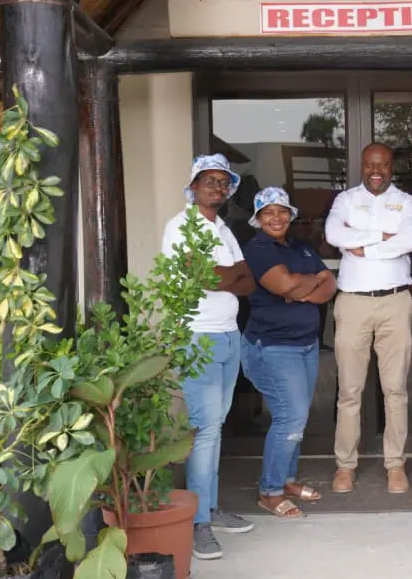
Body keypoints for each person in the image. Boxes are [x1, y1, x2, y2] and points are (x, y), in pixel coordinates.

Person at [161, 153, 256, 560]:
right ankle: (198, 523)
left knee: (215, 426)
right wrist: (224, 275)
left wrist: (223, 276)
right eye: (209, 180)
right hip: (197, 337)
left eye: (223, 182)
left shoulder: (224, 229)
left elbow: (247, 282)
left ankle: (210, 508)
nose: (217, 187)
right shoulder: (180, 226)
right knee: (204, 428)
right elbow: (203, 276)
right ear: (194, 185)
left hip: (229, 335)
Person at [325, 143, 412, 494]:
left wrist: (362, 246)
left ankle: (395, 464)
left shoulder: (406, 202)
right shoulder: (345, 200)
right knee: (349, 390)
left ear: (391, 167)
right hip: (352, 303)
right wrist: (384, 238)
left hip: (395, 302)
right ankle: (345, 465)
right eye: (370, 164)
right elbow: (334, 235)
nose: (376, 170)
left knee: (395, 389)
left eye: (382, 164)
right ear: (362, 166)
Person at [239, 187, 337, 518]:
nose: (276, 218)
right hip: (273, 346)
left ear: (291, 215)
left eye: (282, 211)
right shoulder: (258, 249)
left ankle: (286, 480)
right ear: (258, 218)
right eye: (268, 212)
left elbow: (329, 284)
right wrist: (303, 283)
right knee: (290, 417)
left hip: (306, 345)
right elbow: (282, 285)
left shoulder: (300, 247)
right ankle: (270, 491)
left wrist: (301, 289)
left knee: (298, 416)